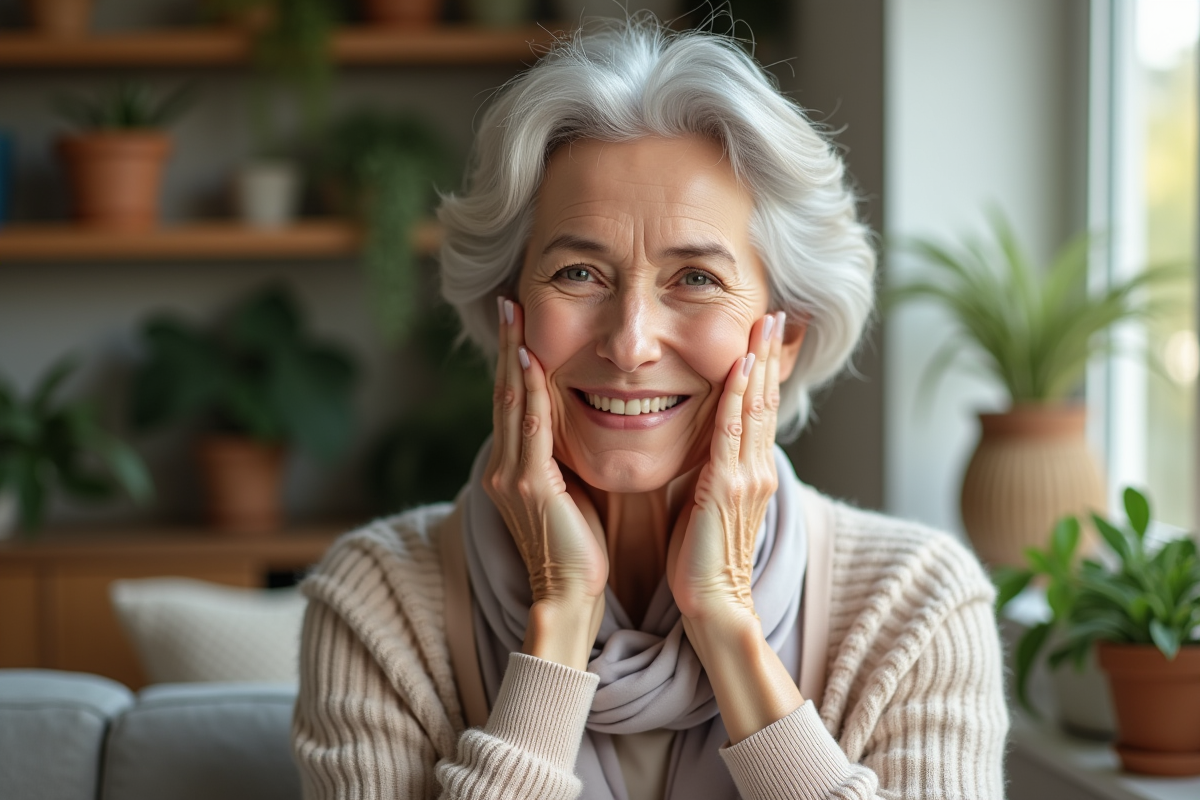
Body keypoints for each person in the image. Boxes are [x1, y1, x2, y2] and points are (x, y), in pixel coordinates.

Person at [292, 18, 1008, 800]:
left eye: (696, 279)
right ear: (509, 311)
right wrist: (559, 616)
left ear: (787, 337)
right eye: (578, 273)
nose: (630, 344)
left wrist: (726, 623)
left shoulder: (917, 608)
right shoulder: (379, 601)